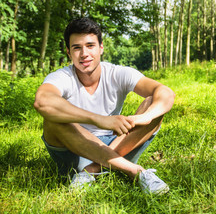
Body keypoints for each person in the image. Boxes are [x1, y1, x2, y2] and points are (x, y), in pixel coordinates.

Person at [33, 17, 175, 194]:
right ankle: (135, 171)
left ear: (101, 48)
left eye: (90, 45)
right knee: (53, 118)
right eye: (77, 48)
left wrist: (145, 117)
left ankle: (90, 172)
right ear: (69, 53)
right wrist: (99, 120)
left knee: (152, 104)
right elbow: (42, 101)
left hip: (117, 143)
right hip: (73, 149)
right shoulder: (62, 77)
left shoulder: (118, 73)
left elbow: (165, 92)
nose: (84, 53)